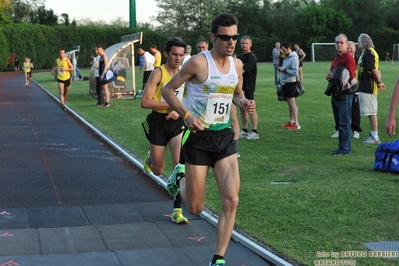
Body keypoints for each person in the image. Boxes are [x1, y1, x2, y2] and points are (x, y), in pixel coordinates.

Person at [162, 13, 256, 266]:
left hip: (224, 137)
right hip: (199, 139)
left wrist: (244, 101)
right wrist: (187, 115)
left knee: (231, 199)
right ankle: (179, 177)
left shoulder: (237, 65)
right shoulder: (197, 63)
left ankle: (218, 259)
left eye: (234, 37)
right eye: (225, 37)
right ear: (213, 37)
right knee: (195, 208)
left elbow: (236, 94)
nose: (231, 42)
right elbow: (167, 90)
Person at [141, 37, 189, 225]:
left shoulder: (186, 73)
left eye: (181, 55)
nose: (178, 58)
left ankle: (177, 210)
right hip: (158, 121)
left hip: (177, 123)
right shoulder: (158, 73)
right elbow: (145, 102)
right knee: (158, 170)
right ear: (166, 54)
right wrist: (170, 107)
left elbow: (190, 99)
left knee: (179, 168)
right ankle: (151, 158)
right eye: (174, 54)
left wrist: (179, 111)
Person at [326, 34, 357, 155]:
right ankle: (342, 146)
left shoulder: (348, 58)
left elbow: (351, 76)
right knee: (339, 122)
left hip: (344, 95)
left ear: (346, 44)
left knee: (344, 122)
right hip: (336, 92)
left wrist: (335, 75)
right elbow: (332, 71)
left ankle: (344, 148)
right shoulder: (337, 57)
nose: (339, 44)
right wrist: (330, 76)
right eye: (337, 42)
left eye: (341, 43)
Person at [357, 33, 386, 144]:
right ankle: (373, 134)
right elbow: (378, 70)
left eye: (359, 41)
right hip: (366, 86)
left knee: (372, 112)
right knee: (370, 112)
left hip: (368, 87)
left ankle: (375, 136)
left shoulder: (368, 53)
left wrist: (379, 82)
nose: (358, 43)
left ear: (364, 41)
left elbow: (374, 70)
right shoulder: (369, 52)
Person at [331, 41, 362, 139]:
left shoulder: (358, 60)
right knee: (340, 111)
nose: (349, 50)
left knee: (355, 110)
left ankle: (356, 130)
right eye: (347, 48)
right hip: (342, 89)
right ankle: (339, 129)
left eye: (351, 48)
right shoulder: (340, 58)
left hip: (353, 88)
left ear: (355, 49)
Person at [238, 35, 259, 140]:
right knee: (242, 108)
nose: (244, 45)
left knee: (251, 108)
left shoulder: (251, 57)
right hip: (240, 86)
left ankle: (255, 131)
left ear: (250, 44)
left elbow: (241, 70)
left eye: (246, 43)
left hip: (248, 85)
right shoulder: (240, 57)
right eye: (243, 43)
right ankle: (245, 129)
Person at [279, 42, 300, 130]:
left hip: (291, 82)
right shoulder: (286, 57)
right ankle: (291, 121)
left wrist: (284, 70)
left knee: (292, 103)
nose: (283, 52)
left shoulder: (294, 58)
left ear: (289, 48)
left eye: (284, 50)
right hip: (285, 82)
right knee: (289, 103)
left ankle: (296, 123)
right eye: (282, 50)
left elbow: (295, 72)